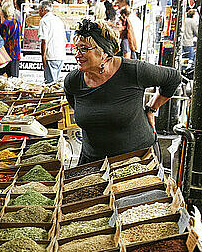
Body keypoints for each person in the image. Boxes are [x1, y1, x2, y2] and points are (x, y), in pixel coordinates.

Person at [64, 19, 181, 164]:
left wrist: (151, 108)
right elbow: (80, 108)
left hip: (137, 160)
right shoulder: (72, 81)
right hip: (93, 162)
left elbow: (173, 78)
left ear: (104, 53)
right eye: (76, 48)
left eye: (84, 49)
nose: (77, 54)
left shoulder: (134, 71)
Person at [37, 0, 67, 83]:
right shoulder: (58, 20)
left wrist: (43, 57)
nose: (39, 12)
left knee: (50, 84)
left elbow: (44, 41)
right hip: (60, 55)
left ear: (43, 10)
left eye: (39, 10)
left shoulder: (44, 21)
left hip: (51, 56)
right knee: (55, 83)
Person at [0, 2, 22, 78]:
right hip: (16, 53)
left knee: (2, 78)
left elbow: (2, 40)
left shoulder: (4, 25)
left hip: (6, 55)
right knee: (14, 79)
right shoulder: (18, 23)